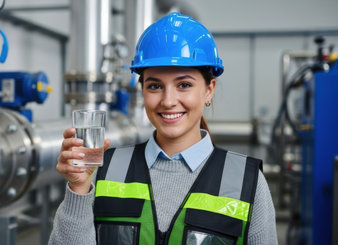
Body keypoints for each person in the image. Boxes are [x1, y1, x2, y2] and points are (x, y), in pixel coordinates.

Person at [49, 12, 277, 245]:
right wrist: (78, 188)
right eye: (155, 86)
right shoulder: (103, 170)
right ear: (143, 91)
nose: (168, 101)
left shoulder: (246, 182)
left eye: (184, 85)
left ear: (209, 90)